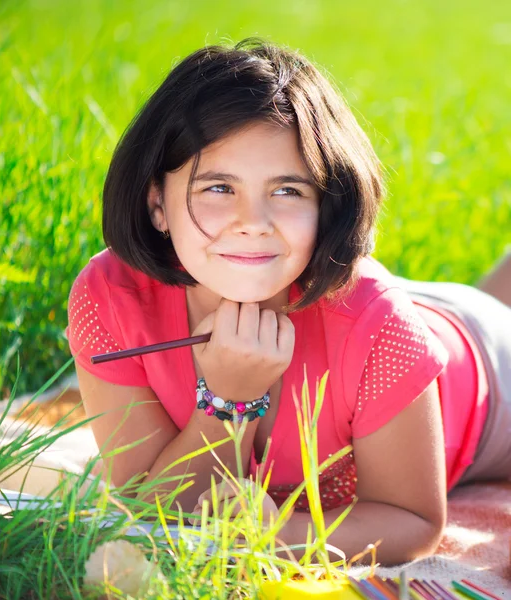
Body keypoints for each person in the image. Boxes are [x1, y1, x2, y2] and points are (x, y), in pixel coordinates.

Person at [65, 38, 511, 566]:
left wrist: (267, 532)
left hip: (481, 365)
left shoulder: (384, 325)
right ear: (157, 203)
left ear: (328, 204)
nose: (253, 221)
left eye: (287, 191)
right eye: (218, 187)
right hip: (336, 298)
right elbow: (146, 506)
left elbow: (412, 523)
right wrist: (227, 403)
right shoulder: (109, 298)